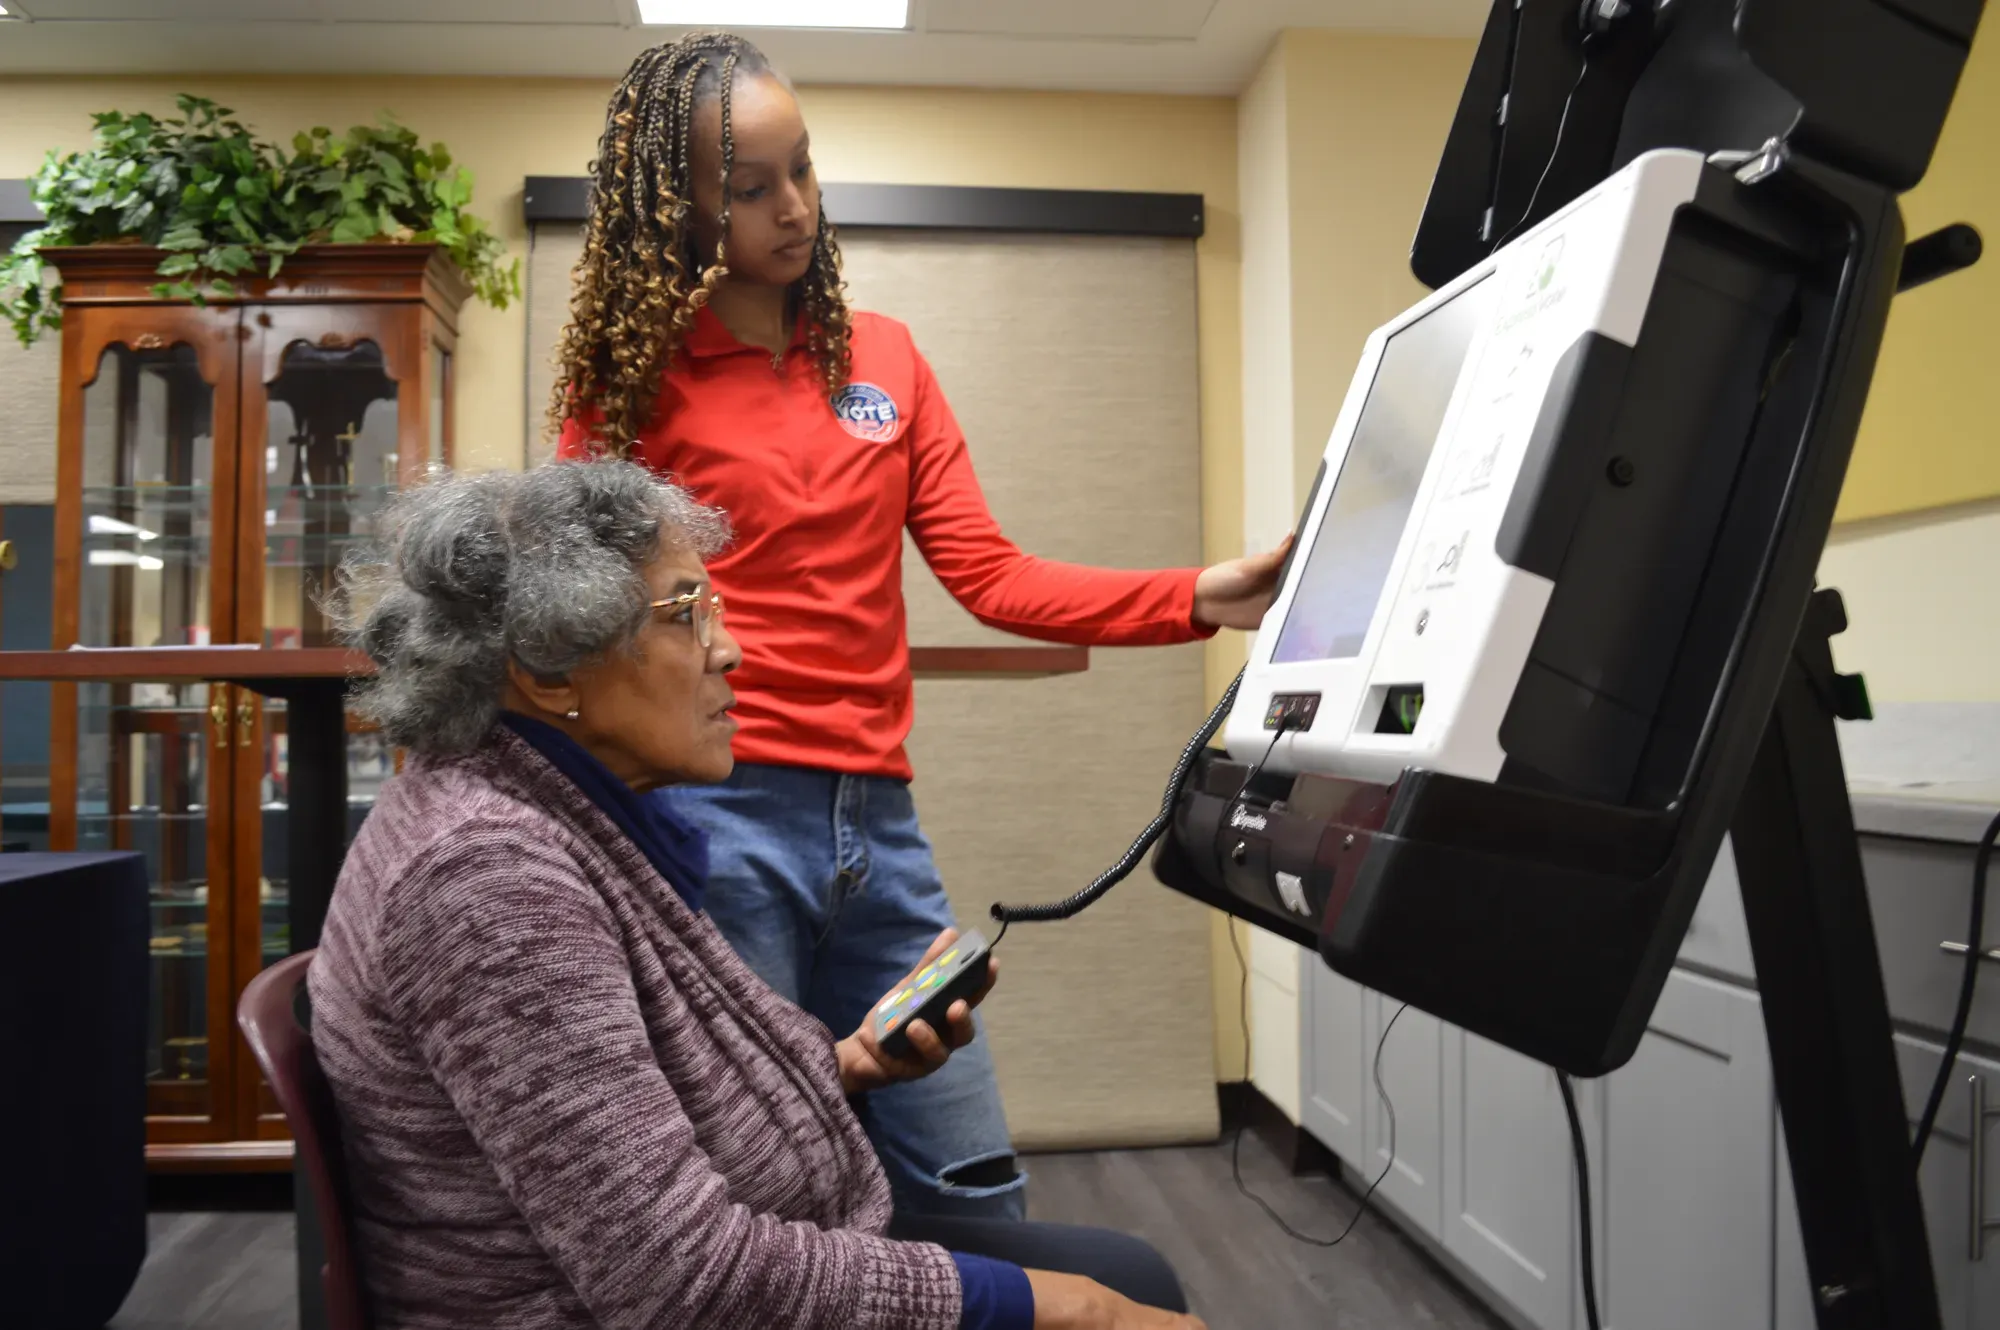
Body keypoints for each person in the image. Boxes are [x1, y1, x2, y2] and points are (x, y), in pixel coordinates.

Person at [550, 31, 1287, 1223]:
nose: (793, 210)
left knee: (970, 1184)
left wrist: (1204, 595)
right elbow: (571, 609)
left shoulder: (883, 357)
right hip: (713, 822)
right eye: (748, 189)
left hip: (877, 830)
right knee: (758, 1183)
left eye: (802, 168)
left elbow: (989, 576)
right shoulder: (629, 385)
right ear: (676, 213)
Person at [309, 461, 1206, 1330]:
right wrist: (1066, 1310)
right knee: (1111, 1287)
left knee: (1125, 1273)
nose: (731, 651)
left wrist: (849, 1062)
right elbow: (684, 1287)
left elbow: (635, 1108)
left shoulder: (550, 811)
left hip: (736, 1256)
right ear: (548, 670)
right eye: (686, 614)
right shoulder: (489, 879)